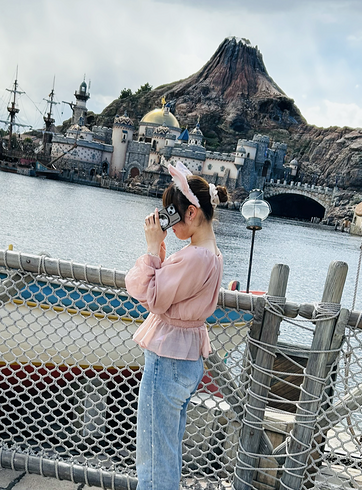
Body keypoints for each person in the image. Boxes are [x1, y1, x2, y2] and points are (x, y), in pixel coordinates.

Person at [125, 161, 228, 490]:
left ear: (192, 213)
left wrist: (151, 248)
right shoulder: (212, 254)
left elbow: (152, 296)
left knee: (154, 456)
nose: (168, 222)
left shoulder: (193, 256)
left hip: (167, 358)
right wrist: (162, 253)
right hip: (187, 358)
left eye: (173, 214)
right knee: (166, 451)